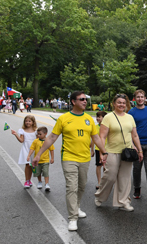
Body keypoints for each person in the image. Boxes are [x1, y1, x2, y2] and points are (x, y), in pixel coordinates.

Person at [32, 91, 108, 231]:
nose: (85, 101)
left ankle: (77, 207)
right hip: (69, 157)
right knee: (71, 187)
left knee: (82, 186)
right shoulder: (64, 118)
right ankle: (73, 217)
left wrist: (104, 152)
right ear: (73, 101)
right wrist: (39, 154)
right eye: (82, 99)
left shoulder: (89, 119)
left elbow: (96, 138)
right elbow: (52, 138)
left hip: (84, 158)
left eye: (86, 99)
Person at [95, 94, 143, 212]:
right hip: (111, 151)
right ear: (114, 104)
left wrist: (139, 149)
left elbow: (135, 135)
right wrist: (102, 152)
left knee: (125, 178)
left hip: (127, 151)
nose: (122, 105)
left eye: (123, 103)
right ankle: (100, 196)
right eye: (119, 102)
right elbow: (102, 136)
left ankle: (123, 202)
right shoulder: (108, 117)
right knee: (110, 176)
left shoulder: (130, 117)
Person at [12, 115, 38, 188]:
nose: (27, 122)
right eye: (26, 121)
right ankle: (27, 180)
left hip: (34, 149)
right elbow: (21, 140)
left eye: (29, 121)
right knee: (27, 165)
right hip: (26, 149)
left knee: (32, 165)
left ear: (33, 122)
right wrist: (15, 134)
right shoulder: (22, 130)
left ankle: (30, 180)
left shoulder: (36, 131)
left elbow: (39, 140)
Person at [27, 127, 55, 191]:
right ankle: (39, 182)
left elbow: (52, 150)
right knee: (38, 172)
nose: (38, 135)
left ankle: (46, 184)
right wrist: (29, 156)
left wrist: (52, 158)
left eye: (40, 134)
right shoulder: (36, 141)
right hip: (37, 161)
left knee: (46, 172)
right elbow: (32, 149)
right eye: (38, 134)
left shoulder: (48, 141)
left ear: (45, 134)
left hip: (45, 160)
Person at [90, 111, 107, 190]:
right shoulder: (95, 127)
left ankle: (104, 182)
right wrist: (92, 150)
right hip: (98, 149)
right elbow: (93, 139)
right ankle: (99, 182)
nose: (97, 118)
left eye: (99, 117)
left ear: (104, 118)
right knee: (98, 165)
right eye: (97, 117)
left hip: (107, 150)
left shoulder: (108, 127)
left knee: (106, 167)